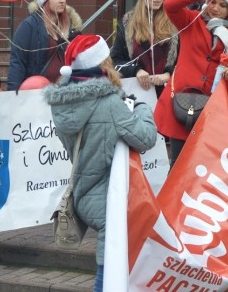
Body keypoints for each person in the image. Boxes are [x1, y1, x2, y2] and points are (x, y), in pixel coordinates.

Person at [44, 34, 157, 292]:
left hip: (84, 194)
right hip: (109, 198)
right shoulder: (108, 103)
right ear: (102, 63)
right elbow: (146, 138)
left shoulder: (61, 103)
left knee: (111, 264)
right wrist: (141, 107)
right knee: (109, 270)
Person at [154, 0, 228, 165]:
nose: (216, 8)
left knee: (202, 168)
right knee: (178, 164)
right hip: (182, 102)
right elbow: (170, 5)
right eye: (213, 2)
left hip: (212, 109)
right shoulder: (191, 20)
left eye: (223, 6)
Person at [7, 0, 82, 91]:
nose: (62, 0)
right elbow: (18, 62)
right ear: (45, 1)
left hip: (66, 91)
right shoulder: (29, 26)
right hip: (37, 91)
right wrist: (13, 94)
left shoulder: (72, 27)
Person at [110, 0, 177, 94]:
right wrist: (136, 71)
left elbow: (183, 59)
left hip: (167, 92)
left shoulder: (173, 23)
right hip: (137, 92)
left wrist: (168, 74)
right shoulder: (127, 24)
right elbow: (116, 60)